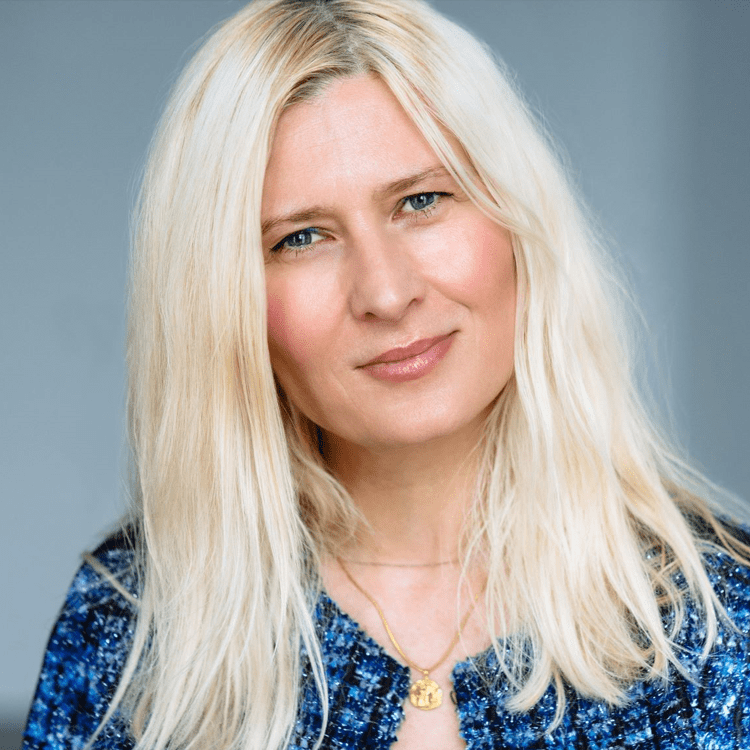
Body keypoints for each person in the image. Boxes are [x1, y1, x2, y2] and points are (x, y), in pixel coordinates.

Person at [22, 0, 750, 748]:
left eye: (421, 200)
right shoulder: (127, 630)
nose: (386, 292)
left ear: (517, 221)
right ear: (222, 301)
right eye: (302, 238)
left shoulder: (724, 625)